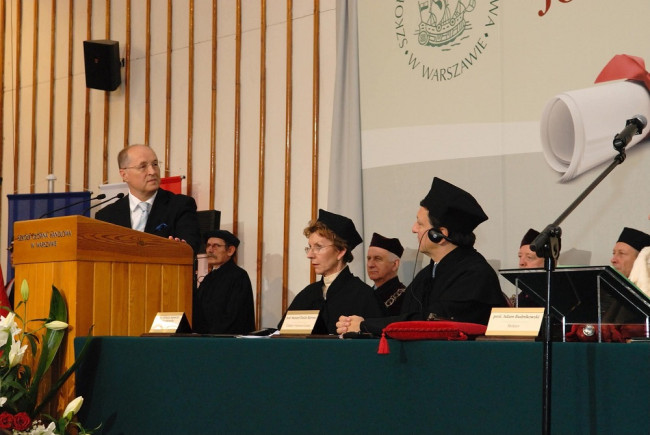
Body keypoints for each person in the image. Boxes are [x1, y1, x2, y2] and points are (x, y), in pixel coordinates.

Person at [337, 177, 507, 336]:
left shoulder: (475, 275)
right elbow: (407, 318)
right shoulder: (425, 275)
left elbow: (432, 322)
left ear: (439, 235)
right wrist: (357, 324)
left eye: (420, 223)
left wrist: (365, 325)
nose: (413, 229)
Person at [278, 209, 383, 335]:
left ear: (340, 252)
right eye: (309, 247)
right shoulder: (307, 295)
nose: (310, 255)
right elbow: (282, 334)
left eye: (318, 247)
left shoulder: (365, 296)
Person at [95, 144, 201, 254]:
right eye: (143, 166)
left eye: (155, 164)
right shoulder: (106, 216)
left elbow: (190, 247)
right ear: (124, 174)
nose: (152, 171)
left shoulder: (180, 205)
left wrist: (179, 248)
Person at [192, 230, 255, 335]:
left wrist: (209, 334)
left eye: (216, 246)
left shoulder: (239, 276)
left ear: (230, 250)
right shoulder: (208, 278)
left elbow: (235, 317)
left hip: (227, 343)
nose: (210, 250)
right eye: (208, 245)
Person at [367, 232, 406, 316]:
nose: (370, 265)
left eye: (377, 259)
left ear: (395, 264)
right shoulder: (364, 294)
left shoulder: (405, 298)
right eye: (369, 258)